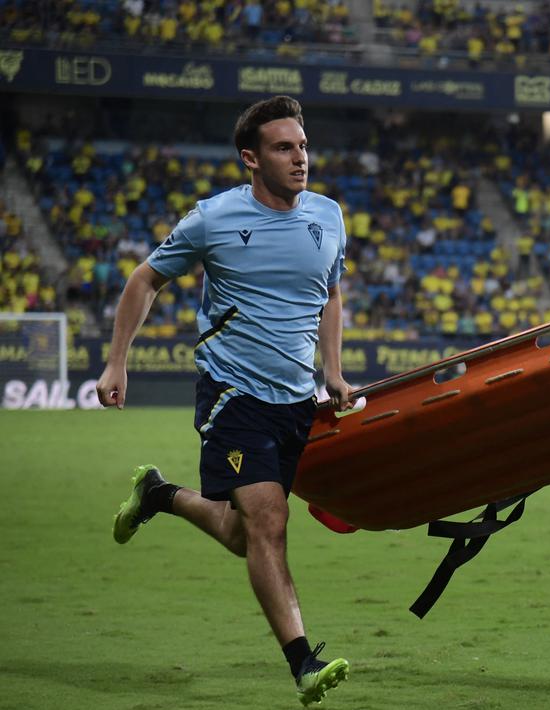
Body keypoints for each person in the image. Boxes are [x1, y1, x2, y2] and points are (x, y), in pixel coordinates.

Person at [96, 95, 354, 707]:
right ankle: (303, 665)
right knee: (268, 522)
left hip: (296, 400)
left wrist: (335, 371)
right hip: (232, 394)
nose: (301, 159)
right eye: (284, 148)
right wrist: (116, 360)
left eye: (304, 146)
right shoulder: (213, 219)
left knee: (243, 535)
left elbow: (332, 295)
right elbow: (145, 279)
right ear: (250, 158)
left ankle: (159, 492)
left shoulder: (329, 216)